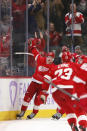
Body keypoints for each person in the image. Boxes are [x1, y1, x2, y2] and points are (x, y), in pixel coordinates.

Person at [43, 56, 87, 130]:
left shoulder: (55, 67)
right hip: (69, 89)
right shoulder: (73, 65)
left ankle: (73, 125)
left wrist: (44, 93)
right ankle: (83, 126)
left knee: (69, 110)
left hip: (55, 92)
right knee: (79, 110)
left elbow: (46, 78)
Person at [16, 38, 55, 119]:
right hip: (34, 82)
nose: (49, 58)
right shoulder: (41, 59)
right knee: (27, 97)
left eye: (51, 57)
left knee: (37, 100)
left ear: (53, 59)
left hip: (43, 87)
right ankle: (22, 111)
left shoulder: (53, 67)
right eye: (48, 56)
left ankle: (34, 112)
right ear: (46, 56)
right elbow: (35, 52)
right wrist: (32, 46)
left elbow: (53, 77)